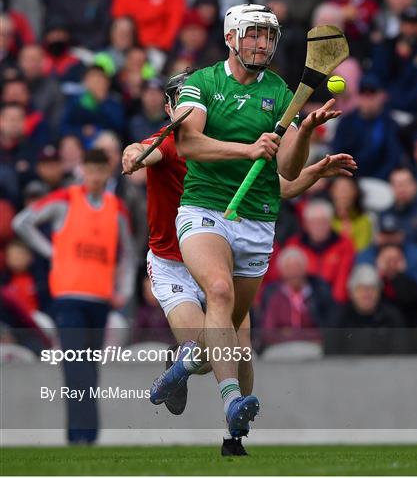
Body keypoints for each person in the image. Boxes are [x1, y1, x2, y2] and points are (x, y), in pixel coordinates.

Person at [121, 68, 355, 454]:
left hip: (217, 257)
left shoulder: (225, 144)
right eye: (182, 101)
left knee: (238, 347)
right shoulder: (172, 143)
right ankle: (178, 368)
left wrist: (314, 171)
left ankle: (234, 435)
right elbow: (142, 151)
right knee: (212, 354)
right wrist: (132, 155)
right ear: (169, 108)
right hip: (172, 263)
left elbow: (279, 186)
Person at [12, 148, 136, 445]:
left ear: (107, 173)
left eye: (100, 171)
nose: (94, 177)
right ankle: (81, 435)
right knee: (76, 366)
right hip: (69, 296)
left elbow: (128, 253)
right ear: (82, 170)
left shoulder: (115, 207)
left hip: (100, 299)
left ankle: (84, 436)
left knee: (89, 369)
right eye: (90, 170)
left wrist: (125, 291)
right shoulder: (66, 199)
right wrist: (52, 252)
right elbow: (22, 223)